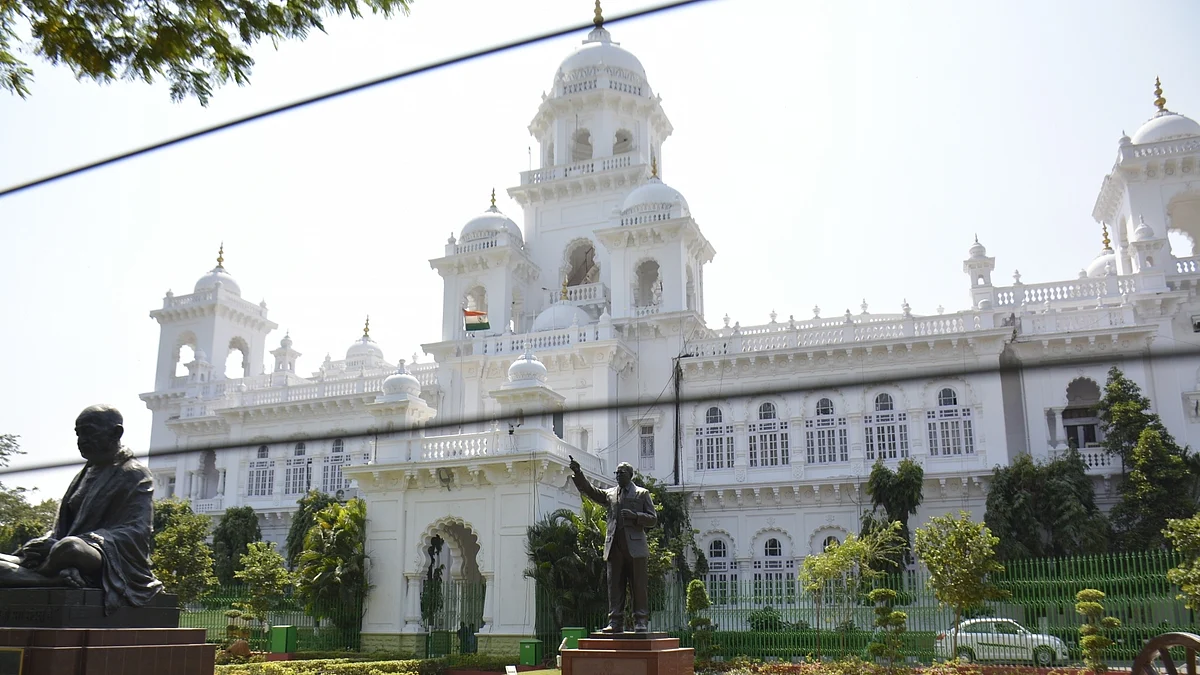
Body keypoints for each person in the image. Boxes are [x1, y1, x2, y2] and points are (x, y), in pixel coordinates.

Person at [0, 405, 163, 614]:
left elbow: (136, 531)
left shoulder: (133, 473)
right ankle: (52, 580)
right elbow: (62, 528)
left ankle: (38, 574)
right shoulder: (83, 475)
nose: (82, 440)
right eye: (78, 434)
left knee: (70, 547)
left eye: (89, 432)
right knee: (56, 547)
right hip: (59, 555)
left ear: (116, 433)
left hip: (103, 557)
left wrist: (71, 543)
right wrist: (44, 542)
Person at [567, 456, 658, 633]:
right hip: (614, 547)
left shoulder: (642, 493)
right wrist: (578, 473)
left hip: (636, 549)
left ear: (630, 475)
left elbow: (653, 519)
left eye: (621, 473)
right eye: (616, 473)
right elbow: (590, 491)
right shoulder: (609, 494)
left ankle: (641, 621)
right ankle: (615, 622)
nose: (617, 475)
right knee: (614, 586)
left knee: (638, 586)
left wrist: (636, 517)